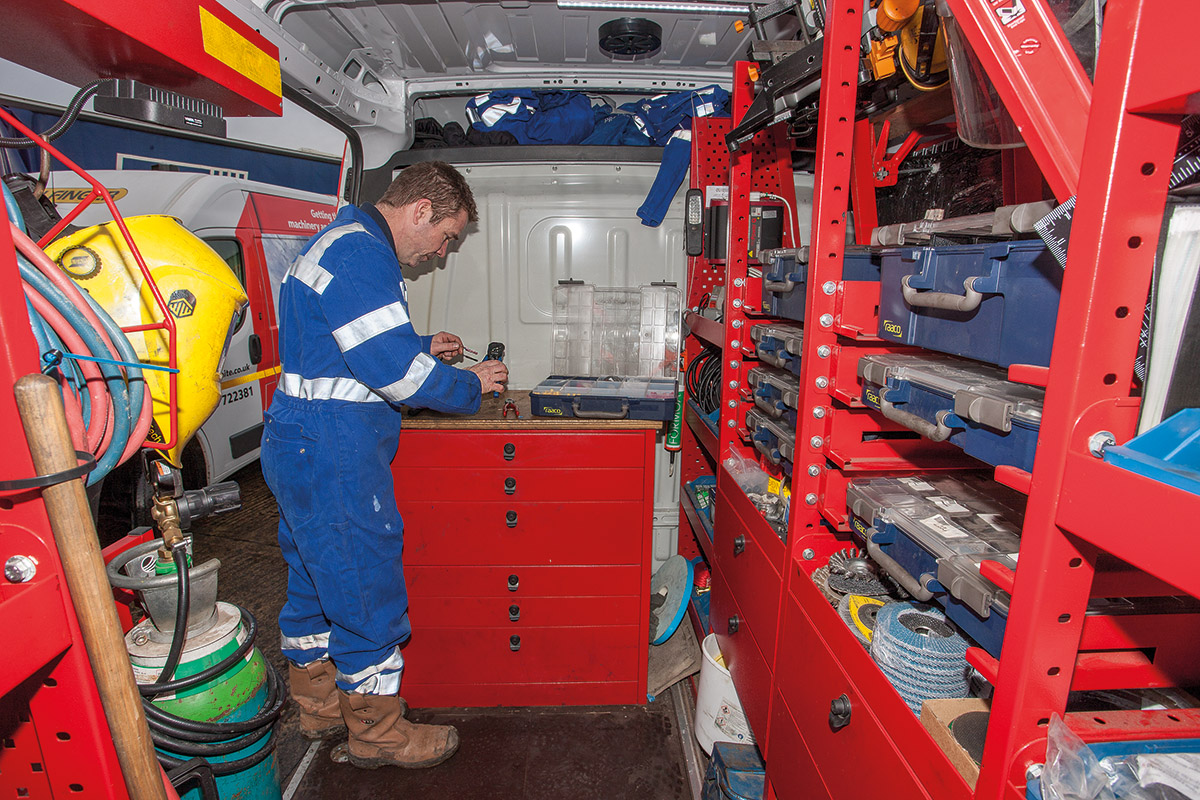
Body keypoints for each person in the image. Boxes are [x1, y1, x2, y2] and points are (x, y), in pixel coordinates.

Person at [261, 161, 507, 770]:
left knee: (315, 584)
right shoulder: (363, 256)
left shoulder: (338, 243)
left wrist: (420, 345)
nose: (440, 254)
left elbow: (336, 349)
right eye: (445, 236)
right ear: (421, 210)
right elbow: (398, 379)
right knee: (365, 587)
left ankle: (318, 710)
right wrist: (468, 384)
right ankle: (379, 736)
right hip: (334, 452)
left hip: (296, 442)